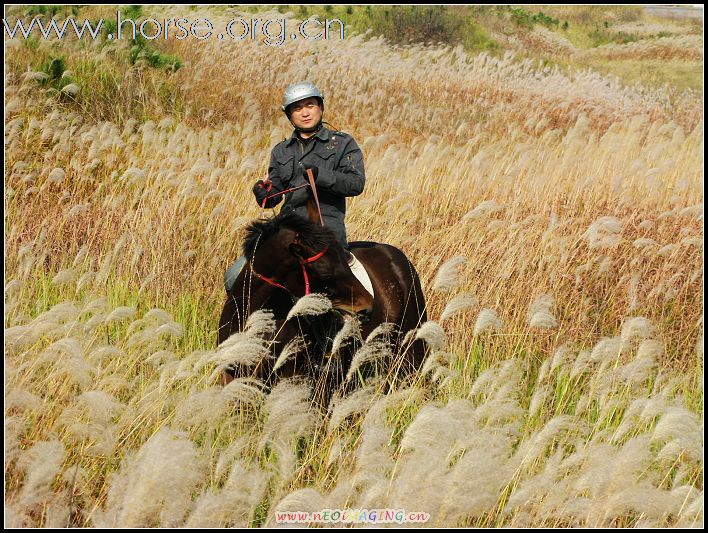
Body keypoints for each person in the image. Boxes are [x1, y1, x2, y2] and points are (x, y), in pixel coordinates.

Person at [225, 81, 372, 296]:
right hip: (285, 236)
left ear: (320, 107)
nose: (305, 113)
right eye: (297, 108)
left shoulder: (342, 143)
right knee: (233, 278)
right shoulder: (281, 151)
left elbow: (355, 184)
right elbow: (273, 194)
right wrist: (264, 194)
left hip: (323, 235)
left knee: (337, 296)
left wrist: (320, 175)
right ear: (289, 115)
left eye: (310, 105)